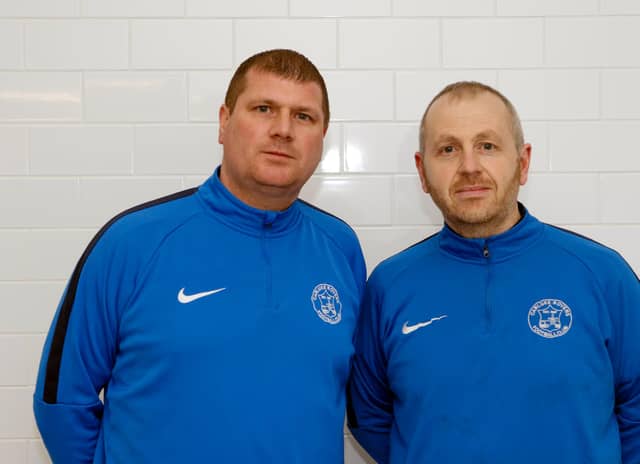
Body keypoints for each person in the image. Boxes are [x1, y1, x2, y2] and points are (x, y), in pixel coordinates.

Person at [34, 49, 366, 463]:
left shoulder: (341, 248)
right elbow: (62, 402)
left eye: (303, 116)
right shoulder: (132, 243)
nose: (283, 130)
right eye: (264, 108)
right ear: (224, 122)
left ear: (322, 135)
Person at [347, 81, 640, 463]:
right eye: (448, 149)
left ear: (523, 162)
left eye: (487, 145)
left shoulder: (603, 275)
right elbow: (370, 417)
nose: (470, 167)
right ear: (422, 171)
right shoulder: (389, 286)